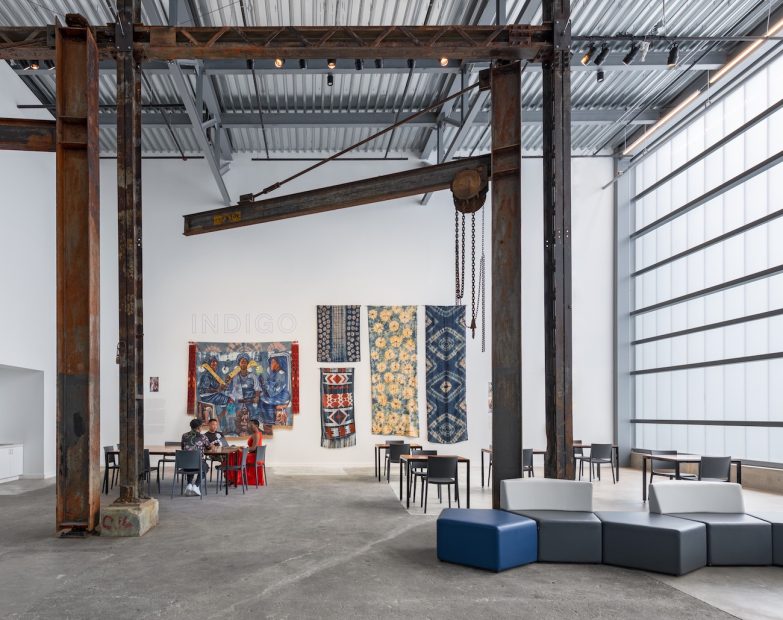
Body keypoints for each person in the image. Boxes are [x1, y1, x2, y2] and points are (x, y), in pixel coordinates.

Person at [227, 418, 265, 487]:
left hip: (253, 457)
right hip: (255, 455)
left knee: (234, 455)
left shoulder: (256, 434)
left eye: (251, 424)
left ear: (256, 425)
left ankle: (233, 478)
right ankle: (232, 477)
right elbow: (253, 447)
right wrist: (243, 448)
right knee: (236, 454)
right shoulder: (258, 433)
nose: (249, 426)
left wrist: (243, 449)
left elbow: (253, 448)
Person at [258, 355, 291, 432]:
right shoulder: (275, 374)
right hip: (276, 396)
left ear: (279, 364)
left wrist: (264, 381)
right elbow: (269, 387)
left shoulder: (281, 373)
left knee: (262, 399)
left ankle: (269, 421)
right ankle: (267, 421)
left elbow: (272, 392)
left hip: (281, 397)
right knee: (262, 398)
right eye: (270, 362)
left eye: (273, 362)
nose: (270, 364)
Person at [180, 418, 210, 496]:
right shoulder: (203, 437)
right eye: (201, 426)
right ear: (199, 427)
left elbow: (182, 447)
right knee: (205, 467)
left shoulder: (184, 436)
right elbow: (209, 447)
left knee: (190, 462)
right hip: (198, 465)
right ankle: (196, 485)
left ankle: (189, 484)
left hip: (185, 465)